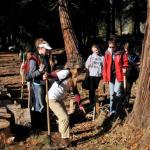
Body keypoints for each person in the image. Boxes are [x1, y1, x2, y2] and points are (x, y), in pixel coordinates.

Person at [43, 68, 85, 147]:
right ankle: (64, 140)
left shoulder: (73, 81)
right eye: (80, 75)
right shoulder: (66, 73)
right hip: (51, 99)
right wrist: (47, 75)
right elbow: (55, 75)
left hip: (59, 99)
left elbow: (76, 92)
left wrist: (80, 105)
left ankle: (63, 135)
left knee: (64, 118)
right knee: (64, 118)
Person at [103, 39, 128, 115]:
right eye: (110, 47)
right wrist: (105, 78)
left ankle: (118, 111)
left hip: (119, 75)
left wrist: (125, 67)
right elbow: (105, 66)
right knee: (111, 95)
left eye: (112, 47)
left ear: (115, 46)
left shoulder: (121, 52)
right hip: (111, 76)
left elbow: (125, 61)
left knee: (117, 93)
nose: (111, 48)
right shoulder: (107, 53)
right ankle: (112, 111)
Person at [85, 45, 104, 110]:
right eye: (94, 51)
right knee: (91, 89)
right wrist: (89, 64)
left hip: (98, 75)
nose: (95, 52)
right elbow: (86, 65)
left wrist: (102, 73)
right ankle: (91, 102)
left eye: (96, 50)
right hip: (91, 75)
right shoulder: (90, 56)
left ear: (98, 49)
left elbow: (103, 66)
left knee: (95, 88)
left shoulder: (102, 57)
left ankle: (96, 101)